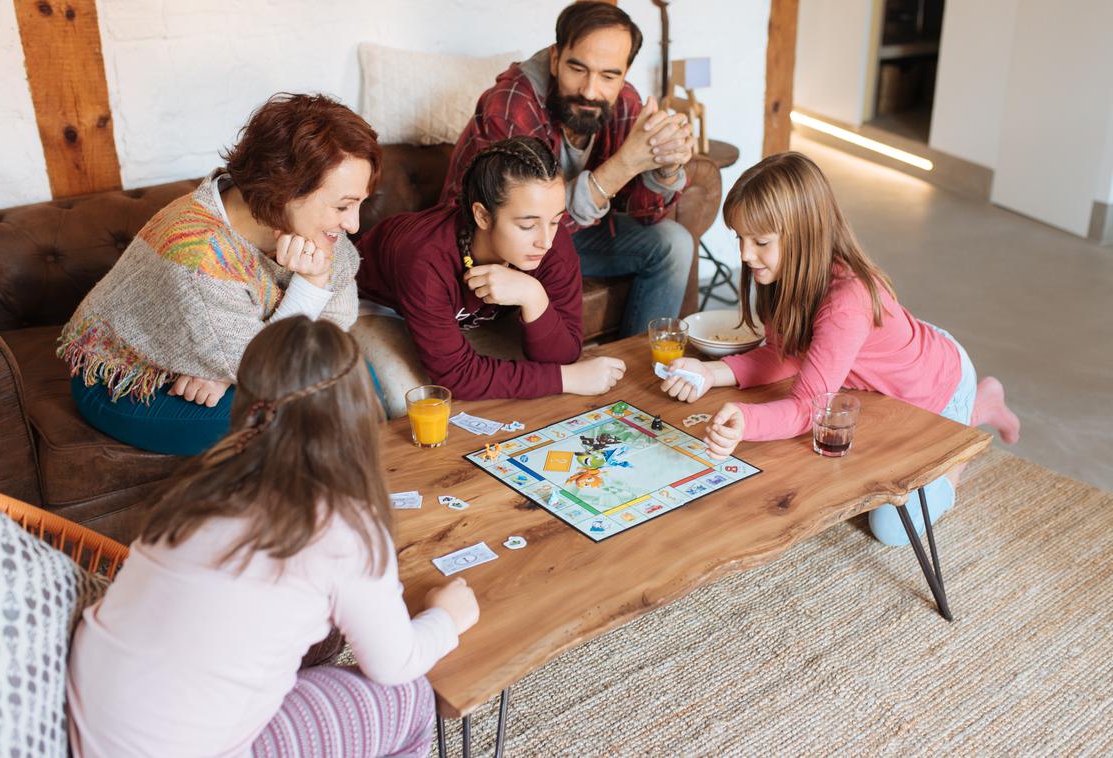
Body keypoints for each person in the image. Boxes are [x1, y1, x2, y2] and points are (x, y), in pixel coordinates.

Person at [66, 316, 480, 757]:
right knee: (411, 698)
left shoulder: (196, 486)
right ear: (358, 412)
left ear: (244, 400)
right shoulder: (344, 527)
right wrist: (445, 618)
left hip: (94, 725)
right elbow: (395, 665)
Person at [660, 152, 1020, 546]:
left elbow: (807, 409)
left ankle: (970, 415)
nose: (745, 255)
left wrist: (746, 421)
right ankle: (973, 407)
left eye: (760, 241)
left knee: (891, 529)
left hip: (935, 388)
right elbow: (785, 354)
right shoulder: (787, 273)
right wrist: (710, 372)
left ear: (803, 235)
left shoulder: (846, 301)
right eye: (740, 239)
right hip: (888, 376)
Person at [58, 93, 378, 455]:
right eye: (343, 206)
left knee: (363, 387)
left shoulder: (312, 229)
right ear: (284, 189)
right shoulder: (198, 256)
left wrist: (226, 370)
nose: (353, 224)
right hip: (129, 380)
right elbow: (265, 371)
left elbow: (337, 320)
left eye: (359, 203)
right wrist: (312, 284)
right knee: (312, 417)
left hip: (232, 355)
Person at [441, 1, 696, 338]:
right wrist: (625, 164)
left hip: (565, 234)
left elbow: (645, 215)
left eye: (608, 75)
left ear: (624, 74)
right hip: (496, 240)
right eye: (578, 68)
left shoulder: (623, 101)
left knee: (673, 242)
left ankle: (640, 368)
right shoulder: (513, 101)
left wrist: (667, 166)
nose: (591, 90)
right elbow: (524, 220)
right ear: (555, 58)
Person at [356, 136, 625, 401]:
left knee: (532, 388)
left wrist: (533, 295)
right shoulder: (424, 259)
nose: (546, 241)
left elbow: (564, 354)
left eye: (555, 220)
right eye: (527, 225)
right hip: (376, 306)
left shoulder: (552, 243)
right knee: (420, 399)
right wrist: (569, 379)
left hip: (464, 317)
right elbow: (457, 378)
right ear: (482, 216)